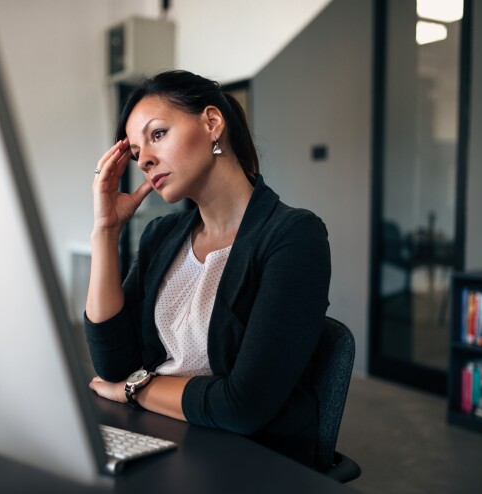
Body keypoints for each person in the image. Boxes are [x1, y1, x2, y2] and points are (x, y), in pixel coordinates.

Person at [85, 70, 331, 468]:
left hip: (245, 457)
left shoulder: (294, 236)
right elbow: (113, 365)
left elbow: (243, 406)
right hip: (161, 434)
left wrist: (136, 389)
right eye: (135, 152)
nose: (143, 158)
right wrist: (105, 230)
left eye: (158, 134)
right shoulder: (161, 236)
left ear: (212, 123)